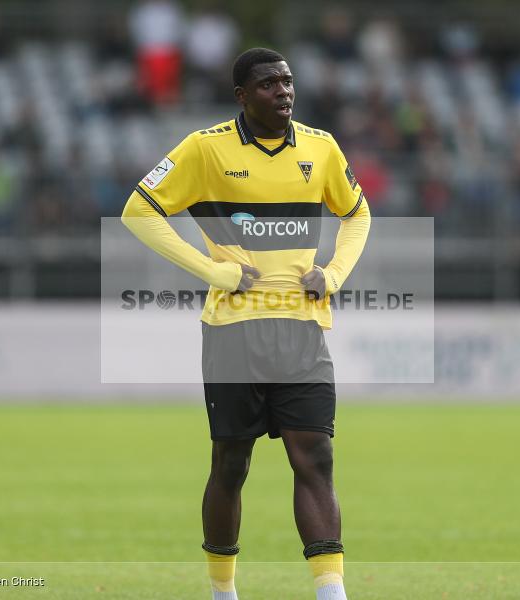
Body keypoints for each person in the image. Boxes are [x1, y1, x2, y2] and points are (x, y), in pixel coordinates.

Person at [121, 48, 370, 600]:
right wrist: (212, 270)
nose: (283, 91)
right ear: (241, 96)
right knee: (232, 462)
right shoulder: (204, 148)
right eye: (268, 84)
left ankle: (331, 593)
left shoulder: (321, 147)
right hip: (233, 331)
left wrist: (333, 274)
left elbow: (358, 213)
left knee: (316, 456)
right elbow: (138, 211)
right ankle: (223, 592)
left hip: (302, 327)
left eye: (288, 81)